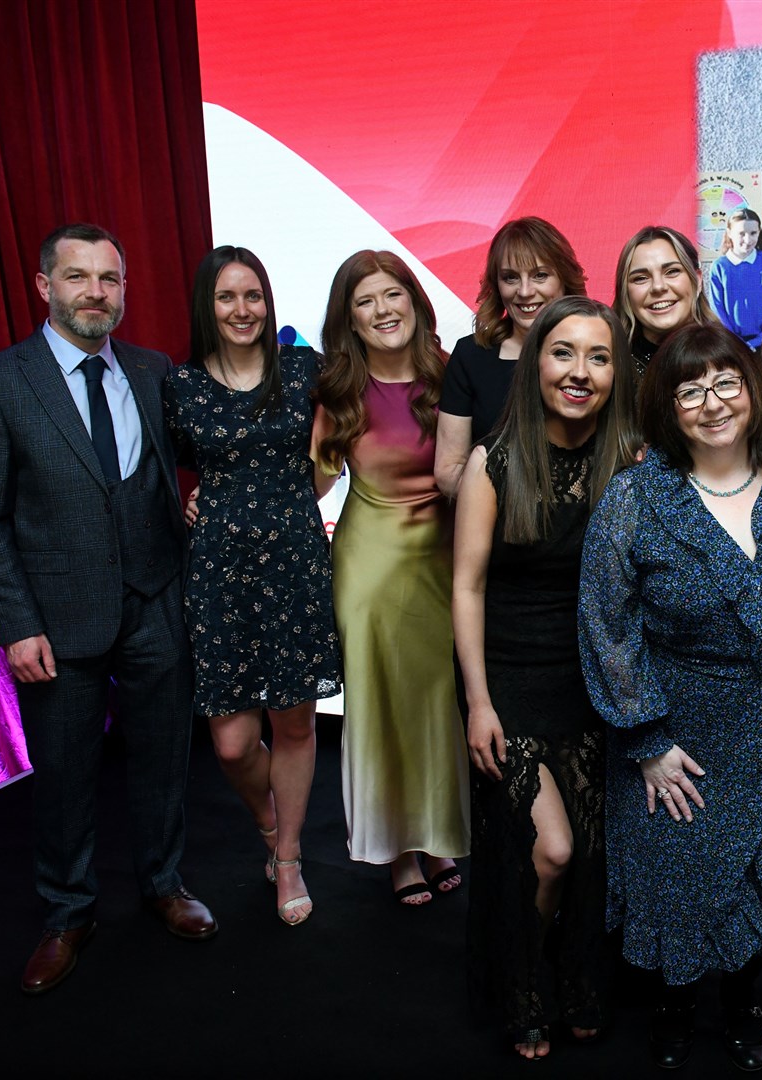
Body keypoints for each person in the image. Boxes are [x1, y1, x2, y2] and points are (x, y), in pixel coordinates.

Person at [0, 223, 217, 995]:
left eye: (109, 279)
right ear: (45, 286)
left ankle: (163, 884)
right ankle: (68, 912)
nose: (95, 293)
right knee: (66, 775)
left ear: (124, 288)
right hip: (56, 622)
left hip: (153, 605)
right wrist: (15, 624)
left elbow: (184, 466)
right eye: (79, 278)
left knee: (165, 758)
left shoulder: (152, 369)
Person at [579, 324, 762, 1072]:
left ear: (753, 389)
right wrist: (646, 740)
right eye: (690, 391)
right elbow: (606, 621)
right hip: (677, 726)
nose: (713, 402)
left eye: (726, 383)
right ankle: (674, 1005)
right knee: (677, 884)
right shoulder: (636, 495)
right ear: (667, 408)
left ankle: (743, 1000)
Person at [454, 296, 641, 1059]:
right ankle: (524, 980)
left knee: (593, 856)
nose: (580, 372)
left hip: (595, 682)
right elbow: (466, 586)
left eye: (598, 358)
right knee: (552, 850)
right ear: (536, 363)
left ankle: (575, 979)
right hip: (511, 680)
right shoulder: (493, 461)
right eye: (564, 353)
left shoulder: (630, 458)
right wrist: (476, 702)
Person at [162, 245, 341, 926]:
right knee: (233, 743)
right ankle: (270, 829)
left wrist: (293, 504)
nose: (243, 310)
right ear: (208, 307)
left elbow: (327, 463)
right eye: (227, 297)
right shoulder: (179, 386)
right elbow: (168, 467)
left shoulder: (303, 370)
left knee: (293, 723)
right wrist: (194, 500)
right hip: (218, 576)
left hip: (294, 565)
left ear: (269, 303)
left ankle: (289, 857)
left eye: (254, 296)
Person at [314, 249, 470, 905]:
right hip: (369, 569)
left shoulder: (453, 371)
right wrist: (218, 500)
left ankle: (438, 836)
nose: (382, 310)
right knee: (380, 707)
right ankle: (398, 852)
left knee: (437, 703)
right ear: (350, 320)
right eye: (365, 302)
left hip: (444, 564)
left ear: (414, 299)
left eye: (392, 294)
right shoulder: (340, 392)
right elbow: (310, 483)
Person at [434, 217, 588, 498]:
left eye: (540, 275)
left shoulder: (597, 352)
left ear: (564, 278)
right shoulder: (470, 357)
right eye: (511, 277)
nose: (525, 291)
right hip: (496, 532)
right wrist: (511, 506)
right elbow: (448, 469)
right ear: (497, 285)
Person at [611, 225, 716, 378]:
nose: (658, 287)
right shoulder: (611, 367)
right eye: (641, 278)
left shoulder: (732, 355)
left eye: (672, 272)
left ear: (698, 280)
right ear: (625, 292)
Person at [706, 207, 762, 350]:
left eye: (753, 233)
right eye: (741, 233)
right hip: (732, 344)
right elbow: (717, 309)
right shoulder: (720, 267)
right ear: (729, 233)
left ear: (759, 232)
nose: (748, 239)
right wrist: (736, 342)